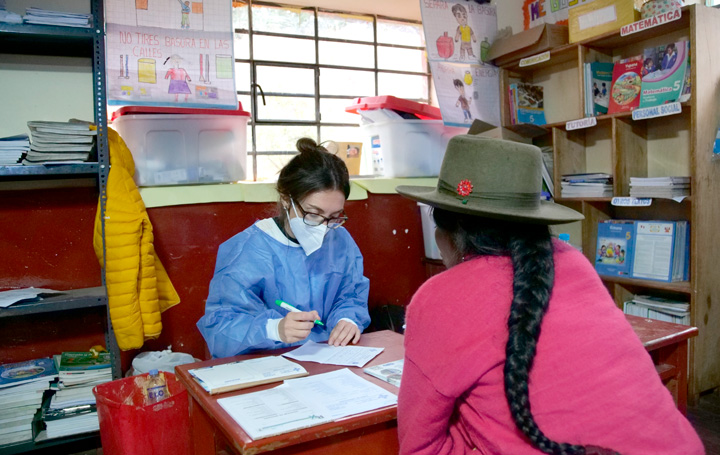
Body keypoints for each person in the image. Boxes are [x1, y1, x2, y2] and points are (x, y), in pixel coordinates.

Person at [395, 135, 703, 455]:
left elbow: (421, 447)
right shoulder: (572, 259)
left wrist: (474, 434)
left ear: (449, 231)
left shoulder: (437, 299)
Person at [197, 138, 371, 357]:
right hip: (262, 366)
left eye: (334, 217)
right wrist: (273, 329)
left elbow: (351, 294)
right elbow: (221, 327)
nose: (323, 228)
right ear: (286, 199)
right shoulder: (248, 250)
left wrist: (347, 319)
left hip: (325, 358)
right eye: (313, 214)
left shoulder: (340, 239)